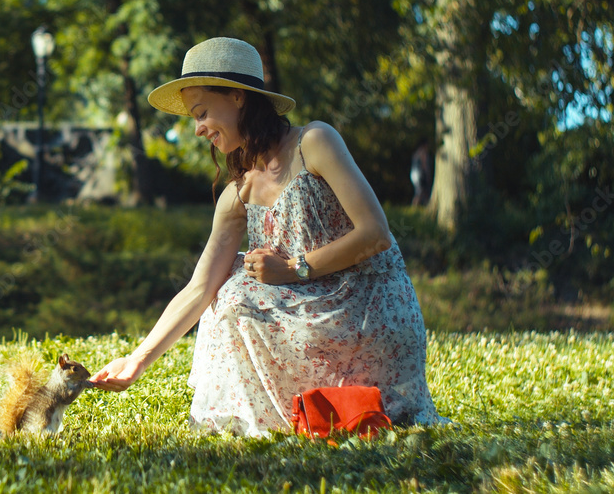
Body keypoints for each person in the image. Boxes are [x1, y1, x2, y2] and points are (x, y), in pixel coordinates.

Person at [89, 37, 447, 436]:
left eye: (202, 112)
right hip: (311, 317)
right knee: (228, 290)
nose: (198, 129)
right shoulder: (238, 193)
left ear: (238, 97)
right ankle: (290, 416)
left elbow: (376, 234)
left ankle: (342, 406)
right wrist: (137, 359)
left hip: (368, 309)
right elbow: (198, 287)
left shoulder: (314, 142)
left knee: (240, 290)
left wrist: (294, 269)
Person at [410, 138, 432, 206]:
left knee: (420, 191)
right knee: (421, 192)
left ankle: (424, 205)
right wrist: (428, 174)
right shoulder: (423, 152)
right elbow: (424, 164)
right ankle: (414, 206)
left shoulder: (416, 152)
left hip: (413, 174)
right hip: (419, 174)